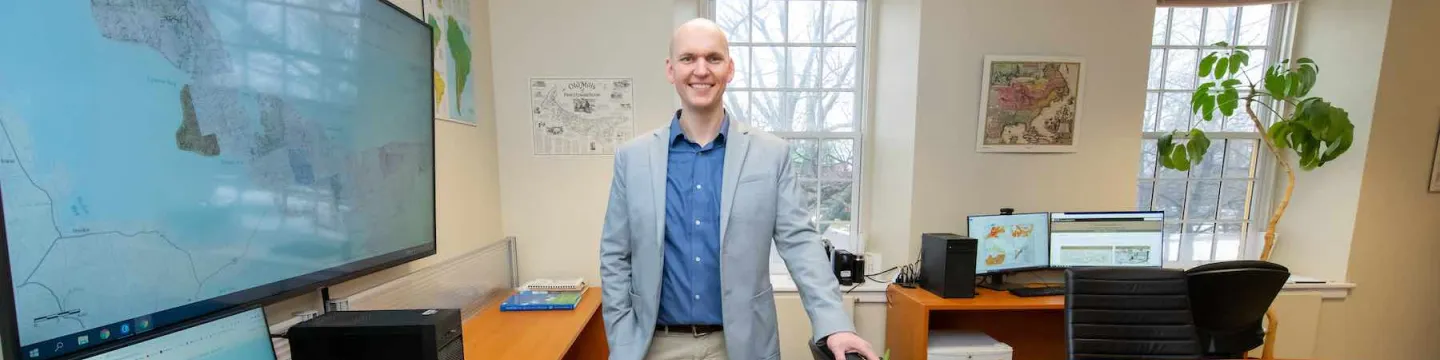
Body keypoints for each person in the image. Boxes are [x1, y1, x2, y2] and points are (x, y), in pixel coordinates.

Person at [597, 18, 878, 360]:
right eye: (688, 59)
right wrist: (622, 338)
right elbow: (615, 255)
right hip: (654, 346)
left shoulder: (771, 154)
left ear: (729, 69)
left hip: (742, 346)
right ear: (671, 70)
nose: (701, 70)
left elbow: (801, 245)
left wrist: (835, 325)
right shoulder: (633, 158)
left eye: (713, 58)